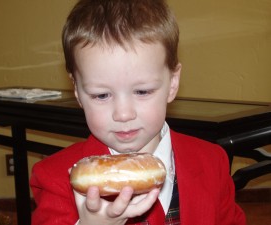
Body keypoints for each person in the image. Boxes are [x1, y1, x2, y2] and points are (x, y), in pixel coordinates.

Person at [30, 0, 246, 224]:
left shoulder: (212, 161)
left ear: (172, 83)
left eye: (142, 91)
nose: (123, 114)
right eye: (102, 95)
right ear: (77, 90)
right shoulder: (55, 178)